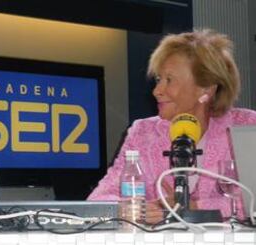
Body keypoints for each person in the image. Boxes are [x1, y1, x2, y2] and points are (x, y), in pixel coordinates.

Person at [88, 29, 256, 222]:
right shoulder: (143, 132)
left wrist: (198, 208)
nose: (157, 91)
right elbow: (99, 198)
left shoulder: (247, 126)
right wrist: (129, 210)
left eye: (169, 80)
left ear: (206, 89)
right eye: (159, 79)